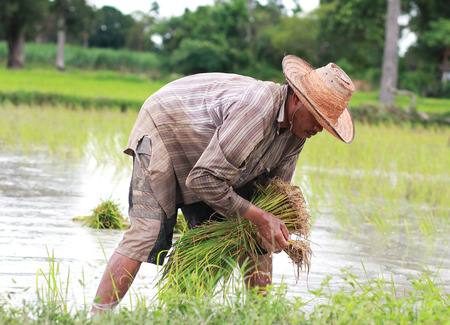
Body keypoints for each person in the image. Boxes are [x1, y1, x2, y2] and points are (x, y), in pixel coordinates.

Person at [91, 54, 355, 313]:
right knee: (147, 232)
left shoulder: (298, 133)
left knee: (255, 233)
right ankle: (98, 316)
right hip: (165, 127)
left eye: (325, 124)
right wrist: (260, 217)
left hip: (207, 153)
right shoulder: (256, 111)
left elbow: (271, 192)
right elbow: (203, 179)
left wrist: (268, 223)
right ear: (297, 98)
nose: (319, 129)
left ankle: (257, 315)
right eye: (317, 118)